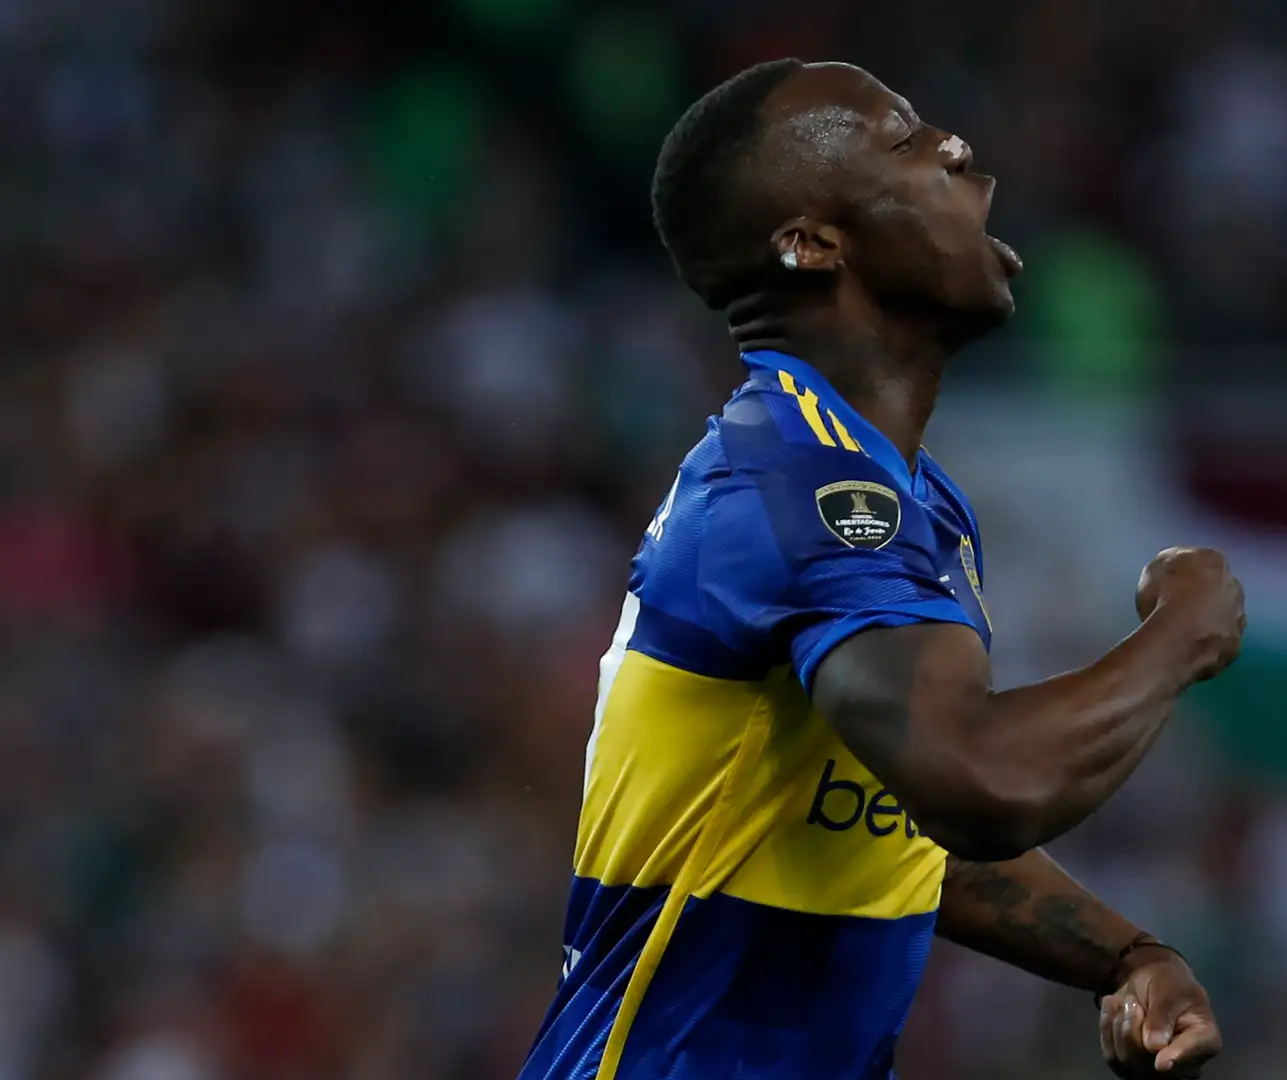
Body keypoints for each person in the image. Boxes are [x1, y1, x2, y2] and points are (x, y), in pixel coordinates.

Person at [518, 59, 1246, 1080]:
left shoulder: (896, 492)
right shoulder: (797, 482)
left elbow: (902, 826)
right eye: (904, 141)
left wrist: (1128, 954)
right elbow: (976, 782)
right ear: (810, 244)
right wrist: (1183, 633)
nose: (955, 148)